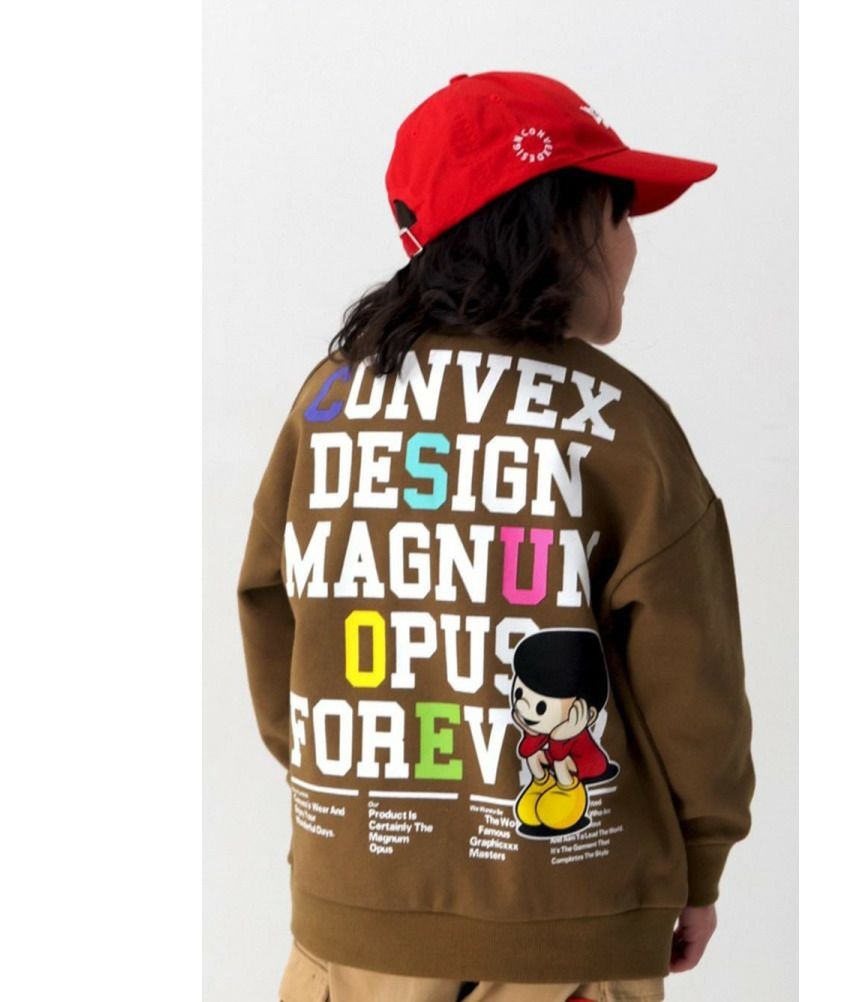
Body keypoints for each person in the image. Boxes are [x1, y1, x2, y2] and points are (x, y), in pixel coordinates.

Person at [237, 70, 756, 1002]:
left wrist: (345, 798)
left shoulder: (329, 402)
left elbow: (275, 613)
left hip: (351, 919)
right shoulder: (620, 426)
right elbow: (694, 683)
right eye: (618, 213)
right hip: (569, 933)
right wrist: (702, 861)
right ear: (554, 224)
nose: (632, 246)